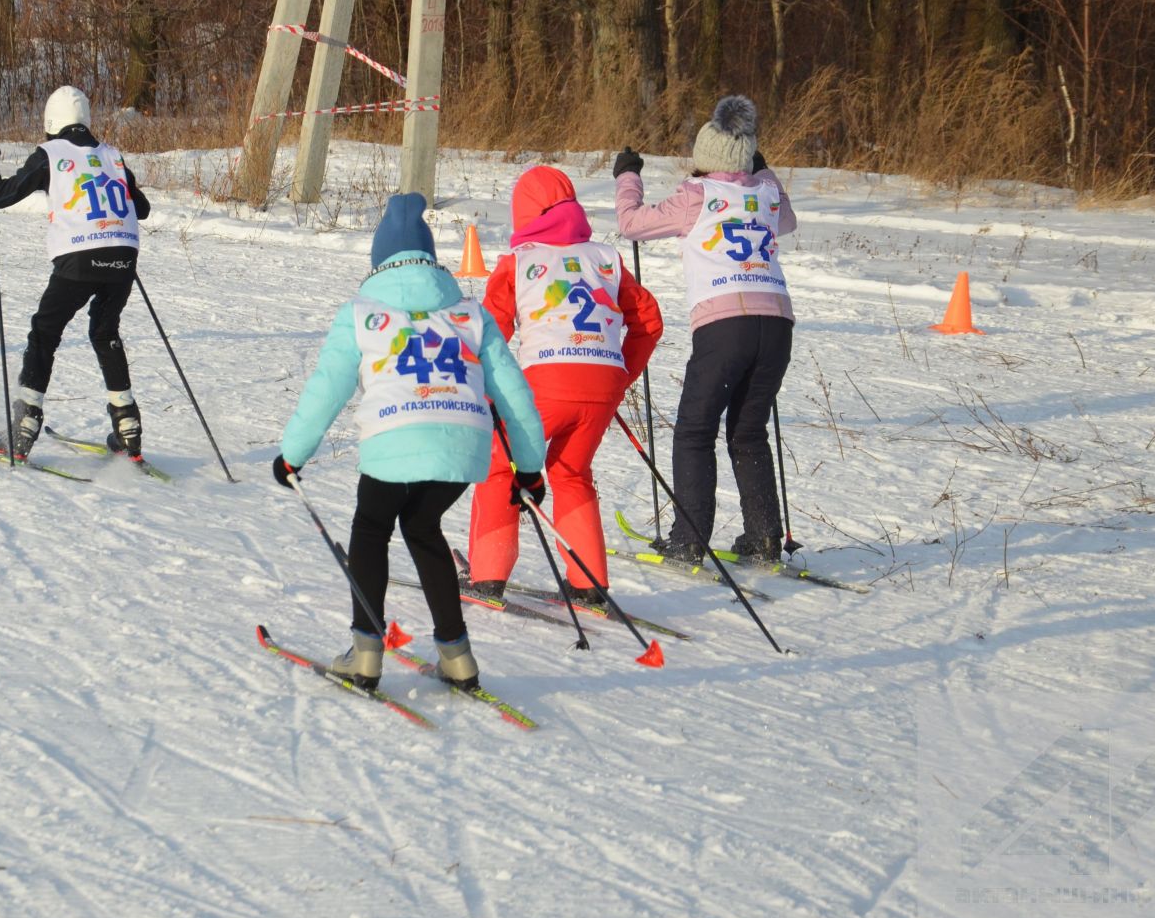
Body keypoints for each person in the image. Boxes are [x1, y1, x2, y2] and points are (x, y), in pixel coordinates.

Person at [273, 193, 547, 692]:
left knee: (372, 528)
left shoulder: (360, 313)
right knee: (422, 529)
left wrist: (293, 455)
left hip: (392, 443)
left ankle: (365, 653)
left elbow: (326, 391)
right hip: (460, 451)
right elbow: (515, 394)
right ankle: (458, 658)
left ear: (379, 261)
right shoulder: (469, 313)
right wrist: (530, 468)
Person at [466, 166, 663, 603]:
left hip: (546, 381)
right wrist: (620, 375)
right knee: (572, 472)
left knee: (501, 466)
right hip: (603, 382)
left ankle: (487, 575)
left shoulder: (519, 262)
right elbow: (649, 321)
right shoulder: (605, 258)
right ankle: (587, 583)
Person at [614, 94, 796, 562]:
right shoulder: (768, 194)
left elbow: (632, 224)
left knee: (695, 430)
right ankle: (764, 536)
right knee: (748, 430)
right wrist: (764, 170)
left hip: (724, 326)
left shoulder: (697, 196)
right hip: (776, 324)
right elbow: (787, 221)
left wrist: (627, 176)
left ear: (705, 158)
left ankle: (689, 539)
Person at [0, 85, 151, 460]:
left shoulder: (49, 154)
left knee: (45, 332)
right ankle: (127, 426)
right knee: (105, 332)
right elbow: (143, 208)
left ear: (51, 122)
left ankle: (24, 424)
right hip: (123, 257)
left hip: (79, 258)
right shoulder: (112, 155)